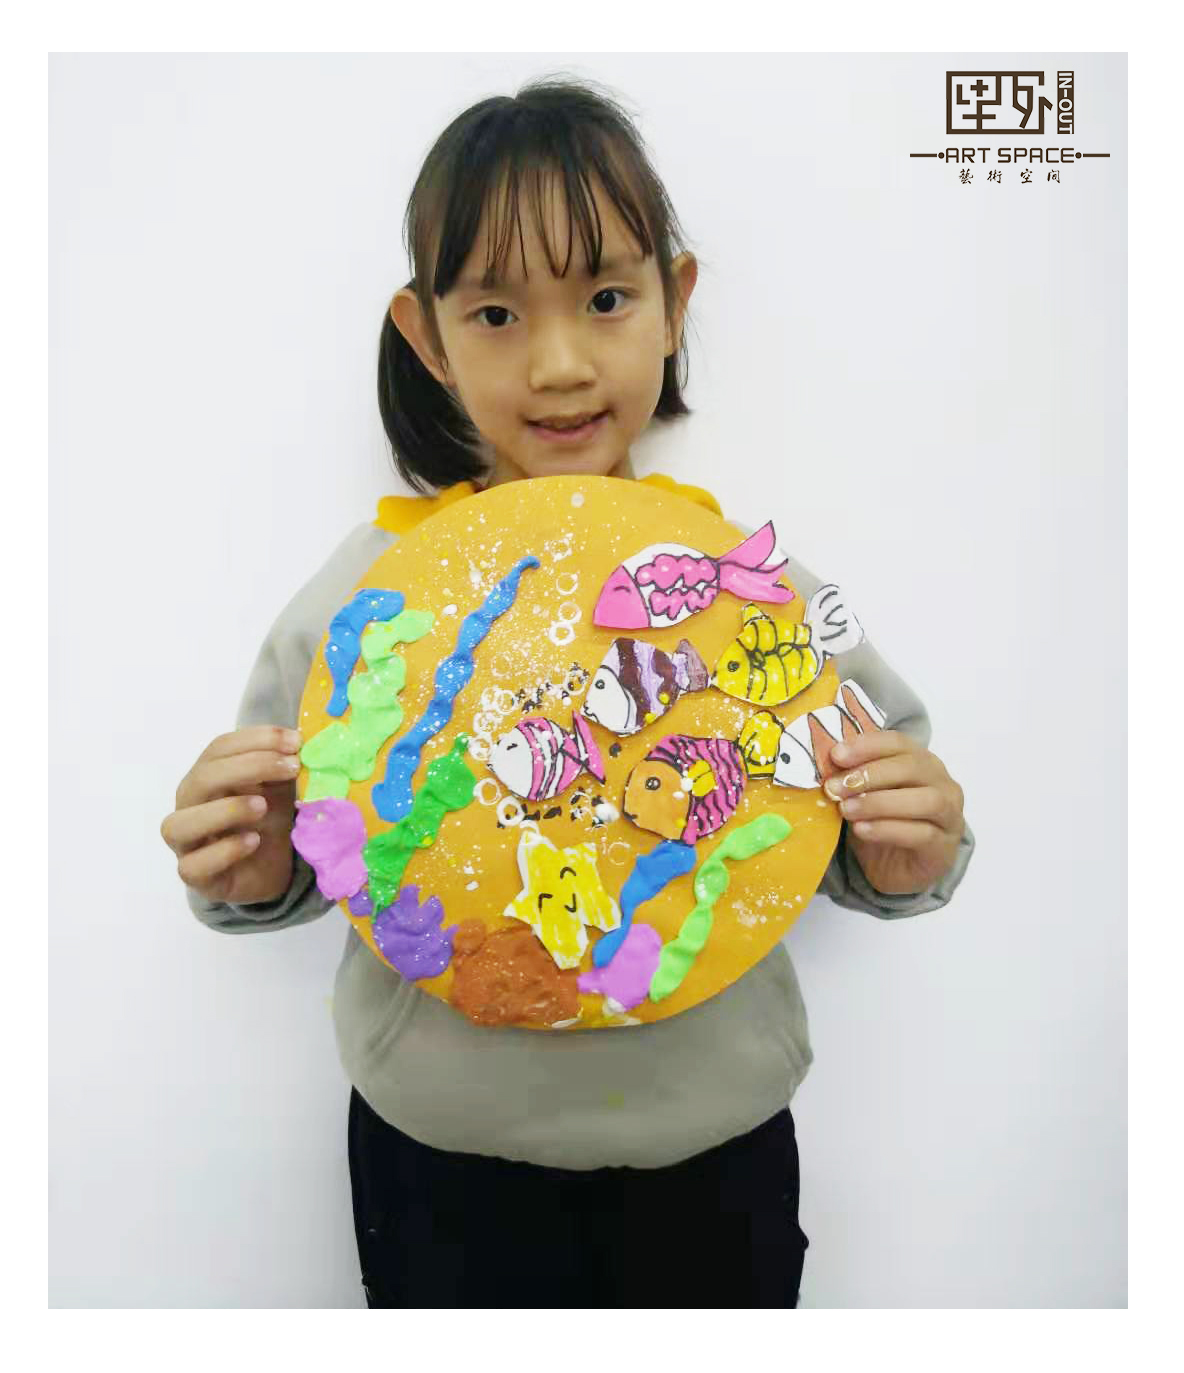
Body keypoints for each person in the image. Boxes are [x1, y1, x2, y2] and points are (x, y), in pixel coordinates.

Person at [160, 75, 974, 1309]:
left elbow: (868, 806)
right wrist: (255, 863)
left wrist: (902, 852)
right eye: (494, 312)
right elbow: (297, 835)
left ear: (673, 302)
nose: (556, 364)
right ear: (425, 336)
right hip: (439, 1156)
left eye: (604, 298)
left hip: (713, 1147)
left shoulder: (744, 591)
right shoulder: (366, 606)